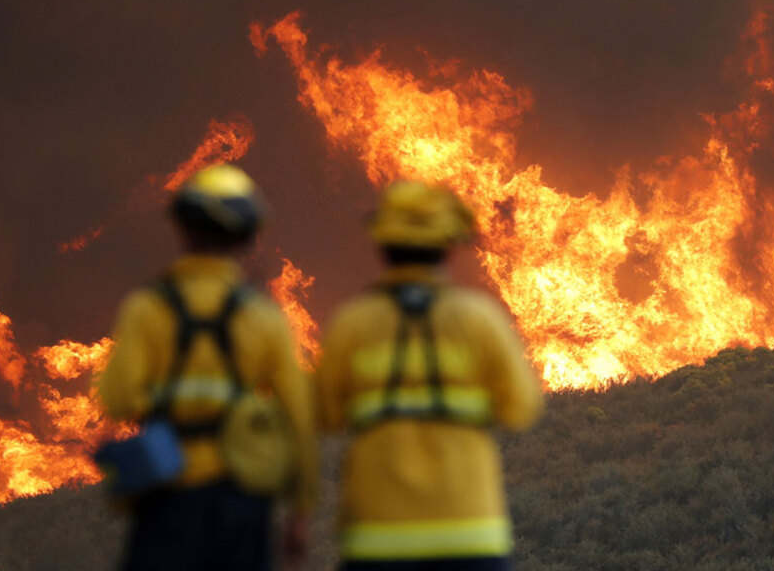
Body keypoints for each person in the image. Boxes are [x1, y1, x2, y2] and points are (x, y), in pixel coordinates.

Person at [98, 164, 318, 570]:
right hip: (241, 498)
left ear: (182, 230)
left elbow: (117, 398)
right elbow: (299, 416)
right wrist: (300, 511)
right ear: (247, 238)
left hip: (167, 495)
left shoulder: (147, 310)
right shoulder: (263, 318)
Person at [316, 181, 543, 570]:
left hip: (378, 537)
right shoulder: (480, 320)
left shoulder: (352, 325)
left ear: (381, 246)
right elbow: (521, 409)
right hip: (469, 536)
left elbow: (326, 416)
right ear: (449, 248)